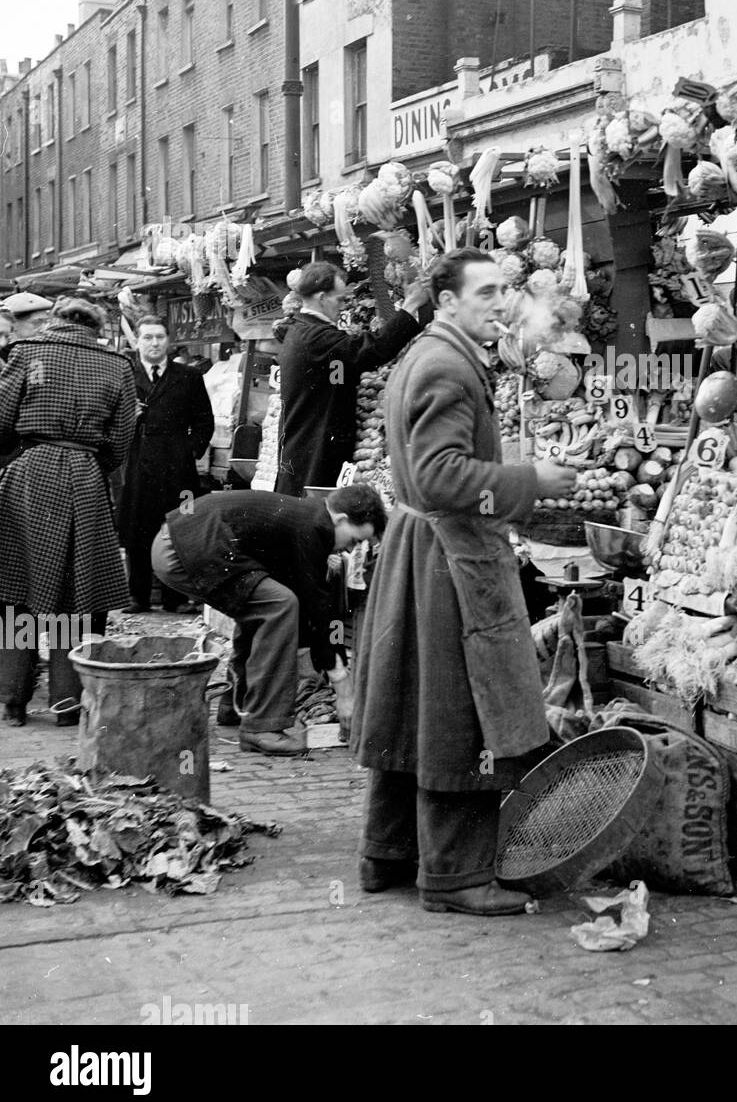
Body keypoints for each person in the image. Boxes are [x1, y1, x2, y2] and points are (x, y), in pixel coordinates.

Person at [352, 247, 578, 915]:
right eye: (483, 292)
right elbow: (438, 477)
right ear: (446, 301)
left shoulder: (429, 355)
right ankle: (454, 876)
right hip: (449, 557)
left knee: (412, 704)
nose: (498, 302)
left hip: (423, 551)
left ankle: (386, 853)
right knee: (459, 713)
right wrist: (526, 481)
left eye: (503, 290)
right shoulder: (446, 365)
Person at [151, 484, 386, 756]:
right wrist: (343, 684)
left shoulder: (310, 517)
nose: (349, 550)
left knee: (265, 605)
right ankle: (262, 728)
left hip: (175, 542)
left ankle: (236, 706)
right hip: (182, 550)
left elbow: (317, 608)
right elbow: (318, 609)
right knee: (280, 605)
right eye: (355, 540)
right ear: (341, 519)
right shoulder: (313, 527)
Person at [0, 295, 136, 726]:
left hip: (29, 474)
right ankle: (66, 701)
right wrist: (89, 463)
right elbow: (122, 437)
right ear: (96, 327)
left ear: (54, 321)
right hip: (86, 479)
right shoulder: (118, 366)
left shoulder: (27, 352)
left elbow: (1, 419)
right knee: (74, 593)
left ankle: (13, 699)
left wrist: (19, 455)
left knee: (16, 590)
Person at [275, 262, 432, 496]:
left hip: (304, 450)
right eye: (339, 300)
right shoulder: (314, 336)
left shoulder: (302, 329)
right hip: (313, 454)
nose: (343, 306)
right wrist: (412, 304)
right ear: (321, 298)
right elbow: (373, 350)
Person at [117, 316, 215, 613]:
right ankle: (138, 597)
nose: (154, 343)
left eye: (159, 337)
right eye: (147, 337)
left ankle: (176, 598)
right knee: (137, 531)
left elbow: (204, 422)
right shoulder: (125, 375)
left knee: (178, 528)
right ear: (137, 341)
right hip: (136, 463)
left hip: (177, 468)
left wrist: (188, 452)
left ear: (168, 341)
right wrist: (127, 419)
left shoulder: (188, 376)